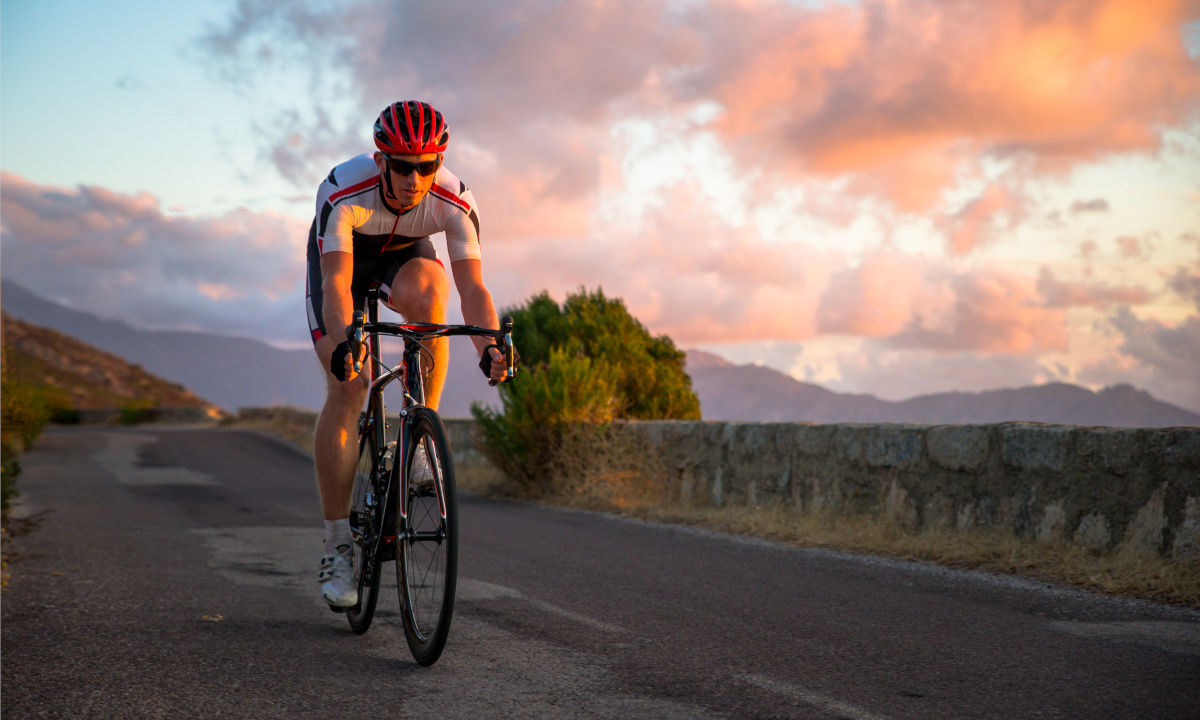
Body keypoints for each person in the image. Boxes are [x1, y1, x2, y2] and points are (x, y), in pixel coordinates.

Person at [305, 100, 508, 609]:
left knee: (433, 294)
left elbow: (473, 289)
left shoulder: (454, 200)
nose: (415, 178)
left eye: (427, 165)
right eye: (402, 165)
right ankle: (337, 547)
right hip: (343, 259)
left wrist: (489, 346)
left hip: (404, 257)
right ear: (381, 162)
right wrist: (344, 339)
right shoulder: (343, 191)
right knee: (351, 385)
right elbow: (334, 285)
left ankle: (420, 433)